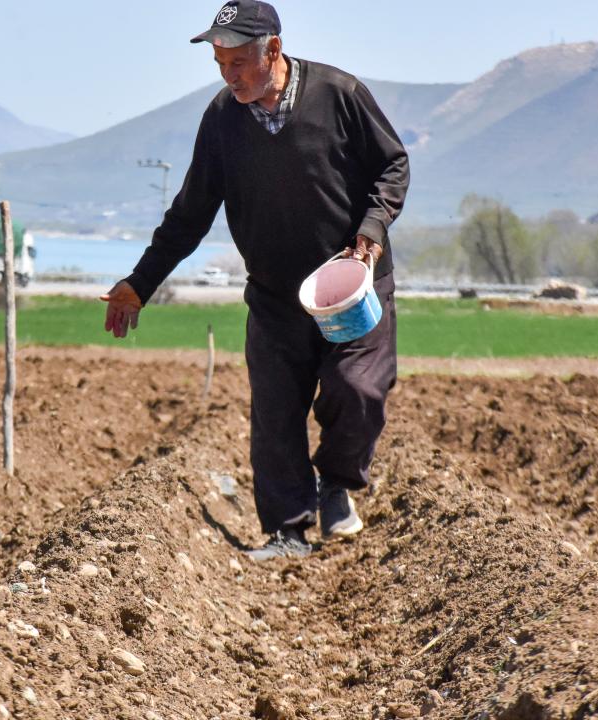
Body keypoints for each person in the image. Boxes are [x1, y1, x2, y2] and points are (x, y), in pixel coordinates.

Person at [100, 0, 408, 560]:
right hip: (275, 295)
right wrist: (140, 283)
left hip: (353, 285)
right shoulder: (224, 118)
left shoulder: (338, 94)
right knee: (275, 413)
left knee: (358, 390)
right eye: (220, 64)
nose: (229, 76)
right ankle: (288, 532)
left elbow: (393, 165)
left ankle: (336, 484)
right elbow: (191, 212)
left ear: (273, 50)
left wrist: (371, 232)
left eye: (238, 62)